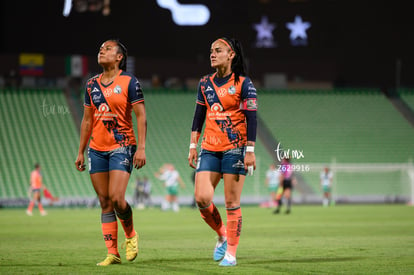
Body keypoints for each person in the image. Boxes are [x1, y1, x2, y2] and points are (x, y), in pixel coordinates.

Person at [74, 39, 147, 266]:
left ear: (119, 57)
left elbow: (141, 116)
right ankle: (112, 253)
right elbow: (87, 121)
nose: (101, 51)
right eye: (100, 49)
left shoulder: (129, 81)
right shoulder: (91, 84)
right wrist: (80, 152)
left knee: (117, 198)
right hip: (96, 149)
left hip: (122, 145)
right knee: (105, 201)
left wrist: (142, 148)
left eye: (107, 49)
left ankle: (131, 235)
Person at [188, 37, 257, 267]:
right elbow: (198, 117)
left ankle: (232, 254)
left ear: (231, 55)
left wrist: (250, 150)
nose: (212, 54)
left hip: (234, 149)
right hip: (209, 148)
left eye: (218, 50)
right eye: (211, 51)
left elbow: (252, 118)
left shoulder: (244, 84)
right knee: (202, 198)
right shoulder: (204, 83)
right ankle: (222, 234)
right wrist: (192, 146)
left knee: (231, 202)